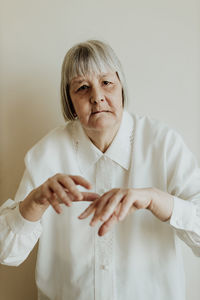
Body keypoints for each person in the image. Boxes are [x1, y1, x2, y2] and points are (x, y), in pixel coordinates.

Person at [0, 40, 200, 300]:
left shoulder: (163, 143)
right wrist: (34, 203)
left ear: (121, 88)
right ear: (70, 102)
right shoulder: (46, 153)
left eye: (106, 83)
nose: (96, 97)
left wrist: (156, 199)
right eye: (82, 88)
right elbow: (7, 253)